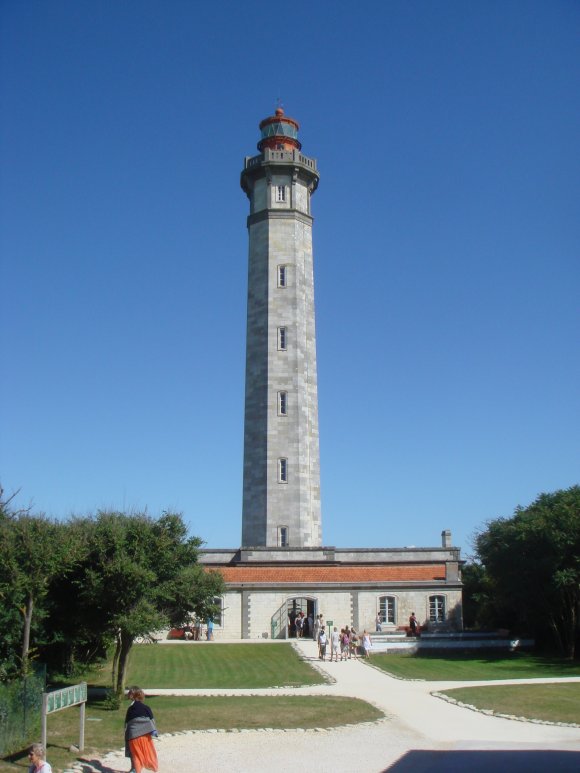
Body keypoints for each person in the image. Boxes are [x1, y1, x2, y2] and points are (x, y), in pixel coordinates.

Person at [125, 686, 159, 773]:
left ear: (132, 696)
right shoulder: (146, 707)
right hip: (145, 735)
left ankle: (135, 770)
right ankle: (153, 768)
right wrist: (154, 731)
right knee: (148, 752)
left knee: (136, 755)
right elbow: (152, 721)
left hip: (134, 736)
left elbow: (127, 724)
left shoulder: (130, 709)